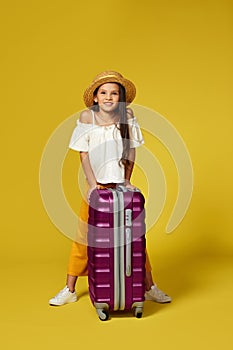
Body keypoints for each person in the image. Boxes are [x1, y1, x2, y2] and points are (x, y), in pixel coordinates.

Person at [49, 71, 172, 306]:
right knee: (84, 238)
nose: (108, 97)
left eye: (114, 93)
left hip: (121, 188)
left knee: (133, 238)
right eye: (103, 93)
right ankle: (69, 288)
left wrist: (126, 180)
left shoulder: (127, 115)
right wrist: (93, 185)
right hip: (97, 188)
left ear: (121, 97)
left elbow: (131, 149)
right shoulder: (87, 117)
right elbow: (83, 154)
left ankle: (149, 286)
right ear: (95, 97)